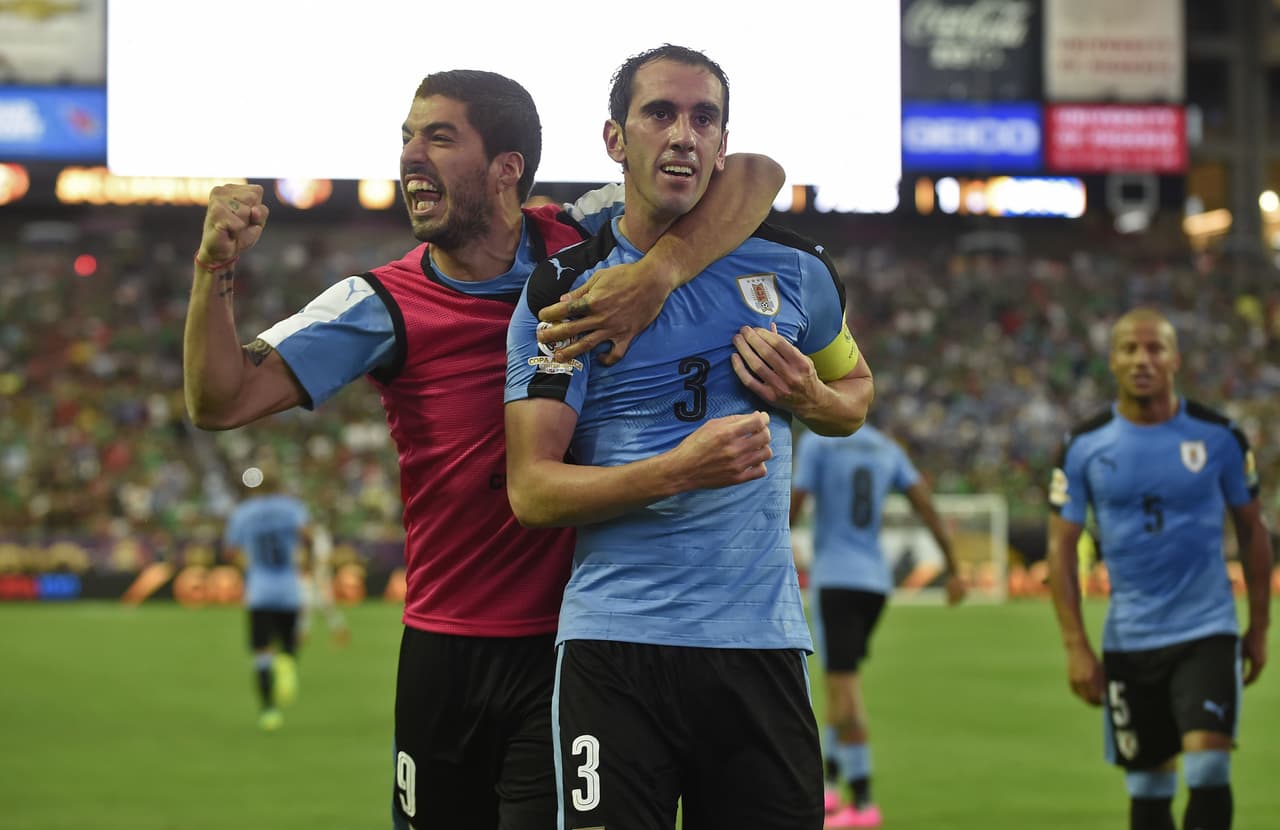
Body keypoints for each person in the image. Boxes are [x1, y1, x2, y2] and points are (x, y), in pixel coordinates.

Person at [183, 69, 783, 828]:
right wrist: (214, 267)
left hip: (571, 650)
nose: (410, 156)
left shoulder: (584, 238)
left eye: (438, 137)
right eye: (407, 135)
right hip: (443, 649)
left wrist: (656, 274)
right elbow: (219, 399)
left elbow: (756, 174)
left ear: (507, 169)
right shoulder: (380, 303)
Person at [504, 45, 874, 829]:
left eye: (703, 118)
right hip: (615, 646)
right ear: (615, 141)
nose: (683, 135)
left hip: (761, 645)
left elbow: (856, 396)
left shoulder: (798, 271)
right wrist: (675, 471)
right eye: (659, 114)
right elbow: (532, 490)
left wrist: (808, 393)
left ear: (722, 143)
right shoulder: (569, 292)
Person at [1047, 308, 1272, 830]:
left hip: (1207, 629)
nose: (1142, 359)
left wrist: (1259, 628)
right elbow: (1061, 550)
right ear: (1113, 362)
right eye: (1129, 348)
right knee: (1148, 789)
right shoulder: (1083, 445)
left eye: (1155, 348)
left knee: (1210, 766)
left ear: (1176, 359)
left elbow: (1253, 531)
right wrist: (1076, 646)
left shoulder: (1220, 437)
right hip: (1131, 639)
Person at [790, 420, 965, 828]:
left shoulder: (819, 442)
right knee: (840, 681)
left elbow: (795, 506)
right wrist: (954, 567)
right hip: (875, 582)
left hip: (836, 578)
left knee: (844, 688)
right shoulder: (886, 448)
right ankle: (830, 786)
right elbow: (925, 503)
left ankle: (864, 800)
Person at [223, 463, 312, 731]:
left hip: (260, 590)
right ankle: (286, 662)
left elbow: (230, 551)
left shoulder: (243, 513)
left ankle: (269, 711)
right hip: (288, 588)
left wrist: (247, 566)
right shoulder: (292, 508)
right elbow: (307, 537)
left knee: (261, 653)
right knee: (289, 644)